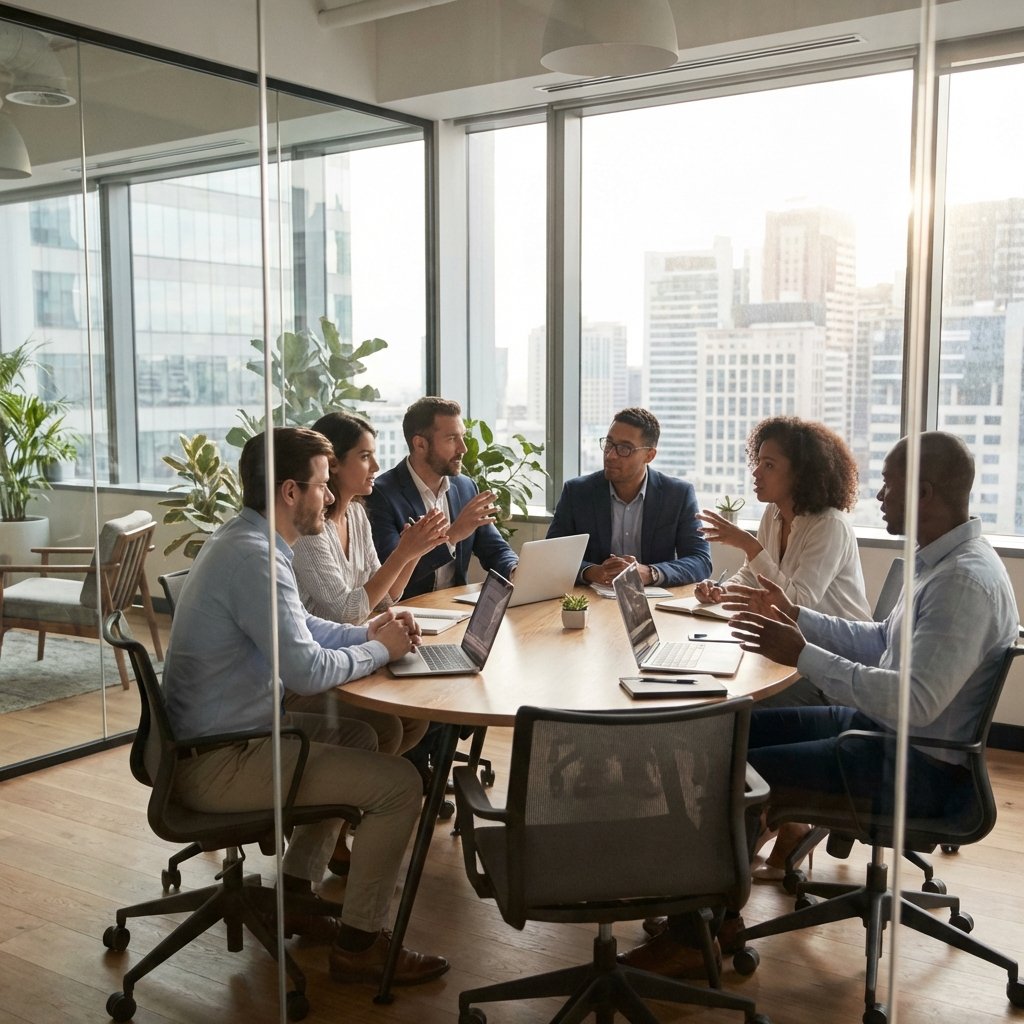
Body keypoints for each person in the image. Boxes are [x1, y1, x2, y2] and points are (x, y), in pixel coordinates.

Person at [617, 431, 1019, 980]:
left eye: (889, 485)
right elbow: (881, 640)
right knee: (730, 734)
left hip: (918, 767)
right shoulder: (942, 561)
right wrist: (796, 617)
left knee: (735, 769)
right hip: (883, 732)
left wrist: (804, 655)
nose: (878, 496)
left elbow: (917, 703)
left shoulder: (963, 581)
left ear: (924, 493)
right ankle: (712, 908)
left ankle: (698, 930)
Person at [162, 427, 449, 987]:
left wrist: (370, 628)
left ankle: (293, 893)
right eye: (322, 485)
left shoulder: (252, 543)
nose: (331, 496)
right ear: (291, 492)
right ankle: (360, 944)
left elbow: (305, 629)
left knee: (363, 736)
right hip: (221, 760)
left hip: (229, 736)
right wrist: (379, 649)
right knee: (400, 788)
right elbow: (307, 670)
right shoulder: (255, 559)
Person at [696, 416, 871, 878]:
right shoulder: (775, 515)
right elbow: (754, 582)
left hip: (829, 670)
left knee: (731, 715)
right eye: (758, 461)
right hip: (787, 656)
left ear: (802, 473)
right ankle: (782, 821)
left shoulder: (829, 527)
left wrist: (749, 547)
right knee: (726, 700)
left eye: (769, 464)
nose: (757, 472)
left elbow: (797, 603)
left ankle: (745, 841)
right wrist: (720, 589)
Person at [291, 411, 447, 756]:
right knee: (394, 719)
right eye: (364, 457)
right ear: (332, 465)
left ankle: (380, 780)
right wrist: (401, 553)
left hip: (352, 643)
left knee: (414, 718)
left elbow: (387, 596)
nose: (376, 466)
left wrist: (414, 552)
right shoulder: (311, 531)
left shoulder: (358, 515)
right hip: (324, 654)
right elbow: (346, 611)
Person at [364, 396, 518, 599]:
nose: (463, 448)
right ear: (420, 444)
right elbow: (391, 576)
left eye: (462, 437)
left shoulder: (465, 486)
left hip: (456, 608)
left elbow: (495, 550)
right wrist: (452, 536)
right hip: (409, 612)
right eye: (452, 439)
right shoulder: (381, 495)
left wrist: (515, 570)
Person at [547, 407, 711, 587]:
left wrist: (650, 573)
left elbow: (700, 561)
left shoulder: (678, 495)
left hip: (654, 603)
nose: (610, 455)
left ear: (649, 455)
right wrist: (593, 572)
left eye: (624, 449)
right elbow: (553, 556)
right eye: (609, 444)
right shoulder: (577, 492)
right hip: (592, 601)